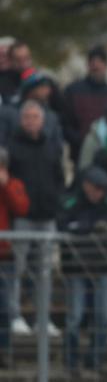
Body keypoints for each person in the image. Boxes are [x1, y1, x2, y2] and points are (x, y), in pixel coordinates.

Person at [7, 101, 64, 337]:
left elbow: (59, 178)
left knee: (44, 270)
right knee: (15, 269)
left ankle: (43, 318)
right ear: (21, 120)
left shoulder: (52, 146)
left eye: (35, 117)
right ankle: (14, 315)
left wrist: (55, 203)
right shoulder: (11, 147)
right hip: (22, 218)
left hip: (47, 216)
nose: (31, 121)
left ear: (43, 120)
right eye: (27, 117)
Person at [58, 167, 107, 377]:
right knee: (74, 316)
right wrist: (90, 227)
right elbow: (64, 226)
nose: (99, 194)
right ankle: (71, 361)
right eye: (96, 189)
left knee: (103, 317)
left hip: (102, 266)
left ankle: (95, 359)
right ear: (86, 186)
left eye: (102, 190)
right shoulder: (72, 203)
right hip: (77, 268)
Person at [62, 45, 107, 163]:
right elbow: (65, 123)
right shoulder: (73, 91)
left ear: (106, 66)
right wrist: (81, 141)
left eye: (99, 63)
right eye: (93, 64)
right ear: (88, 65)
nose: (96, 67)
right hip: (80, 152)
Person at [0, 145, 29, 360]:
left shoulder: (14, 184)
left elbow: (21, 208)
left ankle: (4, 351)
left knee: (4, 307)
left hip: (4, 255)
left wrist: (6, 186)